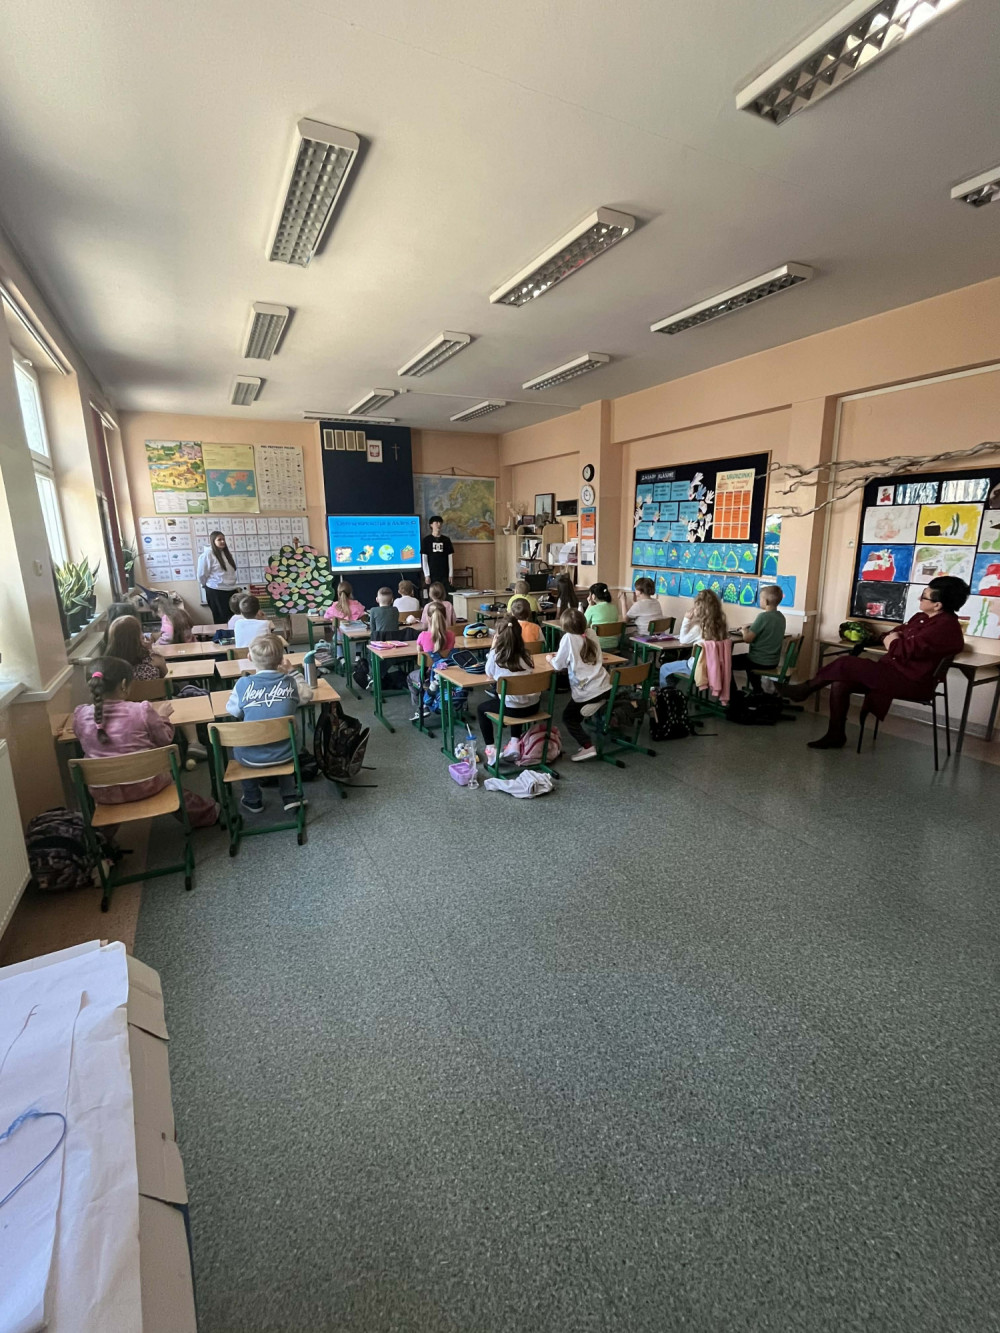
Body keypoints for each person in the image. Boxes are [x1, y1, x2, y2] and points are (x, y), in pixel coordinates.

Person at [781, 575, 969, 750]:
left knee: (846, 663)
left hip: (911, 682)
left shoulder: (945, 628)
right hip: (892, 672)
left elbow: (901, 650)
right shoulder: (921, 618)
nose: (920, 599)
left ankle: (805, 689)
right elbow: (890, 635)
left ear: (937, 605)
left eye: (924, 596)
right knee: (840, 683)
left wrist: (894, 641)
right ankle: (835, 734)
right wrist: (893, 639)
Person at [73, 658, 217, 825]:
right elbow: (165, 739)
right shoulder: (141, 711)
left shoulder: (80, 715)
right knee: (172, 786)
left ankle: (99, 835)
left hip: (104, 792)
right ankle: (209, 813)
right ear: (124, 684)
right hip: (148, 785)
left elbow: (82, 738)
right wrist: (162, 718)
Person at [224, 634, 313, 812]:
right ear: (281, 660)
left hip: (249, 758)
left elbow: (233, 710)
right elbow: (307, 695)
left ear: (249, 658)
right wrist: (293, 671)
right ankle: (289, 795)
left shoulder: (242, 684)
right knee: (283, 738)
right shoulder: (290, 683)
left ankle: (252, 798)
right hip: (287, 754)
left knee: (243, 743)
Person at [547, 608, 611, 762]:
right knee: (578, 711)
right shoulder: (591, 633)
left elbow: (558, 665)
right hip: (605, 685)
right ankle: (597, 704)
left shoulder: (568, 638)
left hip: (588, 691)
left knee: (568, 718)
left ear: (564, 627)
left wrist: (550, 658)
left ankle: (587, 746)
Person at [477, 617, 541, 762]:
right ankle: (514, 742)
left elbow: (489, 673)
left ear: (498, 637)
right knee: (516, 696)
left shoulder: (496, 655)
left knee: (482, 709)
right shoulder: (526, 654)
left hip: (512, 710)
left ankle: (491, 749)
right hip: (533, 707)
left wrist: (493, 648)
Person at [659, 590, 728, 687]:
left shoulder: (699, 628)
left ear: (699, 608)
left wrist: (686, 619)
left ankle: (665, 692)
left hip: (697, 667)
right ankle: (673, 688)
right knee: (684, 656)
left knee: (664, 668)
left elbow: (683, 640)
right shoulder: (721, 626)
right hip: (713, 667)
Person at [408, 601, 455, 719]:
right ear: (445, 617)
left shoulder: (423, 635)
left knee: (409, 678)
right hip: (448, 675)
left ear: (428, 618)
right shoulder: (451, 635)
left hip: (428, 676)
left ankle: (422, 707)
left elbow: (420, 655)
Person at [735, 585, 786, 690]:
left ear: (766, 601)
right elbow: (768, 626)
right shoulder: (781, 617)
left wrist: (744, 630)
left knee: (726, 662)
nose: (759, 601)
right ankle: (757, 691)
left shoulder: (763, 617)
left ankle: (733, 693)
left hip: (758, 661)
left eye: (760, 599)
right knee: (747, 661)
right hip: (773, 662)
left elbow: (747, 639)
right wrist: (753, 625)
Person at [105, 615, 167, 680]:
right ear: (136, 638)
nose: (143, 635)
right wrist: (150, 651)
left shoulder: (108, 670)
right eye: (140, 631)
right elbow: (164, 676)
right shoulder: (150, 665)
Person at [198, 530, 239, 623]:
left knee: (234, 618)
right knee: (221, 619)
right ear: (213, 541)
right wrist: (204, 585)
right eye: (219, 540)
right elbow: (202, 574)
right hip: (216, 590)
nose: (222, 541)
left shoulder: (227, 554)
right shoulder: (208, 554)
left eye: (223, 539)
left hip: (230, 589)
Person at [421, 515, 454, 595]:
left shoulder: (446, 540)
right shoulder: (426, 540)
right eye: (436, 522)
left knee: (445, 593)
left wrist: (451, 574)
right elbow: (424, 559)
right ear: (431, 525)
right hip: (432, 573)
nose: (438, 524)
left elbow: (450, 557)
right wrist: (426, 575)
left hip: (444, 573)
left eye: (440, 523)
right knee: (433, 594)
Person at [584, 582, 621, 650]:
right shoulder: (614, 607)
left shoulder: (592, 609)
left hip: (596, 645)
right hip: (614, 644)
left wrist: (589, 605)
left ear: (593, 596)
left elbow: (583, 625)